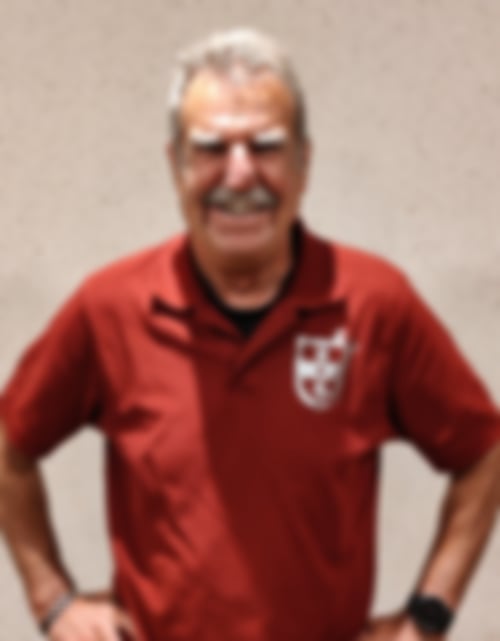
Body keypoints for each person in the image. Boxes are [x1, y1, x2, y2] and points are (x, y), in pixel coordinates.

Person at [0, 28, 499, 641]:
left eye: (266, 147)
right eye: (211, 148)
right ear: (176, 165)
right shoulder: (110, 308)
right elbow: (10, 442)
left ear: (304, 163)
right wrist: (52, 599)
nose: (239, 176)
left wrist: (428, 616)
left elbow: (484, 453)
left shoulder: (377, 305)